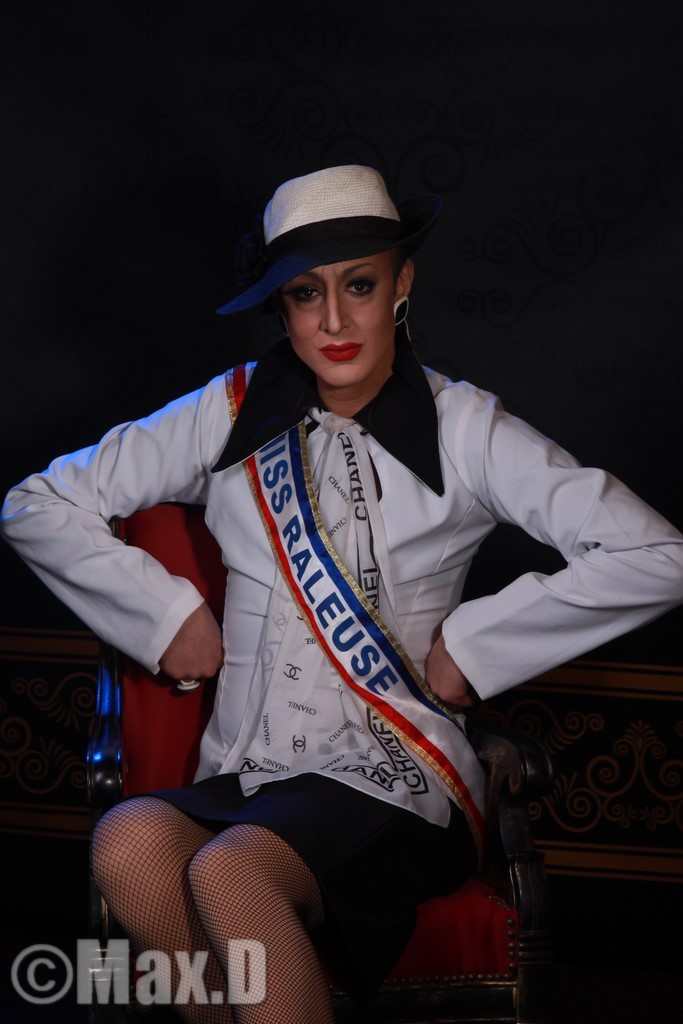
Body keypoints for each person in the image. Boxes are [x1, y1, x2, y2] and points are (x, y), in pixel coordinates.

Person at [2, 163, 683, 1023]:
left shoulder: (465, 427)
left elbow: (657, 554)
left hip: (396, 778)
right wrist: (164, 616)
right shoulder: (226, 412)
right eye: (304, 294)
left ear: (401, 284)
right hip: (250, 772)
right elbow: (36, 503)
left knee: (229, 870)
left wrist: (476, 648)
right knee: (128, 843)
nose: (332, 320)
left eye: (358, 285)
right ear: (281, 308)